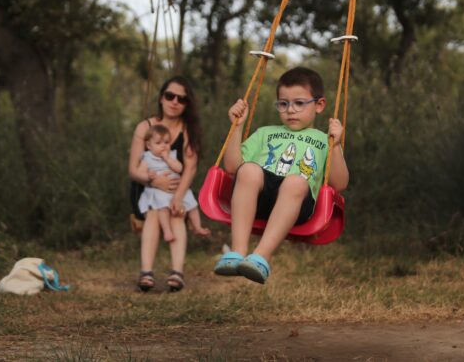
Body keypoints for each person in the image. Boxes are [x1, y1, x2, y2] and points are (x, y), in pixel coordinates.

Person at [214, 67, 349, 284]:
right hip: (260, 198)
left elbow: (340, 184)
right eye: (283, 103)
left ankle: (261, 257)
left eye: (299, 103)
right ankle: (237, 252)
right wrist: (236, 128)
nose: (290, 110)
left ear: (319, 105)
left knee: (295, 181)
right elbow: (232, 168)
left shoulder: (325, 140)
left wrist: (335, 146)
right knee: (248, 170)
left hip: (297, 202)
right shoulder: (265, 133)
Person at [128, 76, 209, 292]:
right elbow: (133, 170)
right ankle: (146, 272)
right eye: (170, 96)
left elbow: (190, 168)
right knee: (155, 213)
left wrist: (177, 197)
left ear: (186, 104)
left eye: (181, 99)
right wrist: (155, 180)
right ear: (161, 98)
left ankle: (177, 273)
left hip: (179, 190)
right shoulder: (145, 127)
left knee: (177, 214)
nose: (175, 101)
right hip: (147, 189)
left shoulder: (187, 130)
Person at [137, 124, 200, 243]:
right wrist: (148, 176)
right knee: (162, 207)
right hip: (160, 190)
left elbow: (179, 168)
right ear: (149, 145)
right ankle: (167, 231)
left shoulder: (171, 155)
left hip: (177, 189)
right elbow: (139, 173)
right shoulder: (147, 158)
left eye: (166, 142)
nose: (163, 146)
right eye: (158, 143)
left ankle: (197, 226)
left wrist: (167, 159)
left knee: (191, 201)